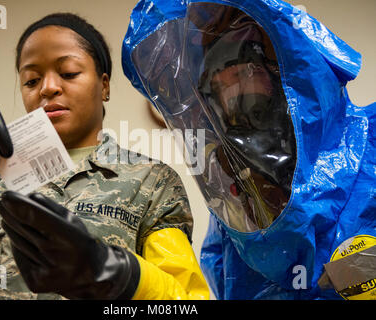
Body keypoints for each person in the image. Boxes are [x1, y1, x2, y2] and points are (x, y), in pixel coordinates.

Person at [0, 12, 209, 300]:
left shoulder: (152, 182)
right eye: (31, 80)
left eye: (69, 73)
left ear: (105, 85)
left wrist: (118, 274)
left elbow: (185, 302)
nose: (48, 88)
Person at [122, 0, 375, 299]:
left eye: (242, 68)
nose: (231, 90)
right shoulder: (239, 202)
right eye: (216, 81)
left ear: (281, 67)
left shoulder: (368, 144)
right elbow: (223, 280)